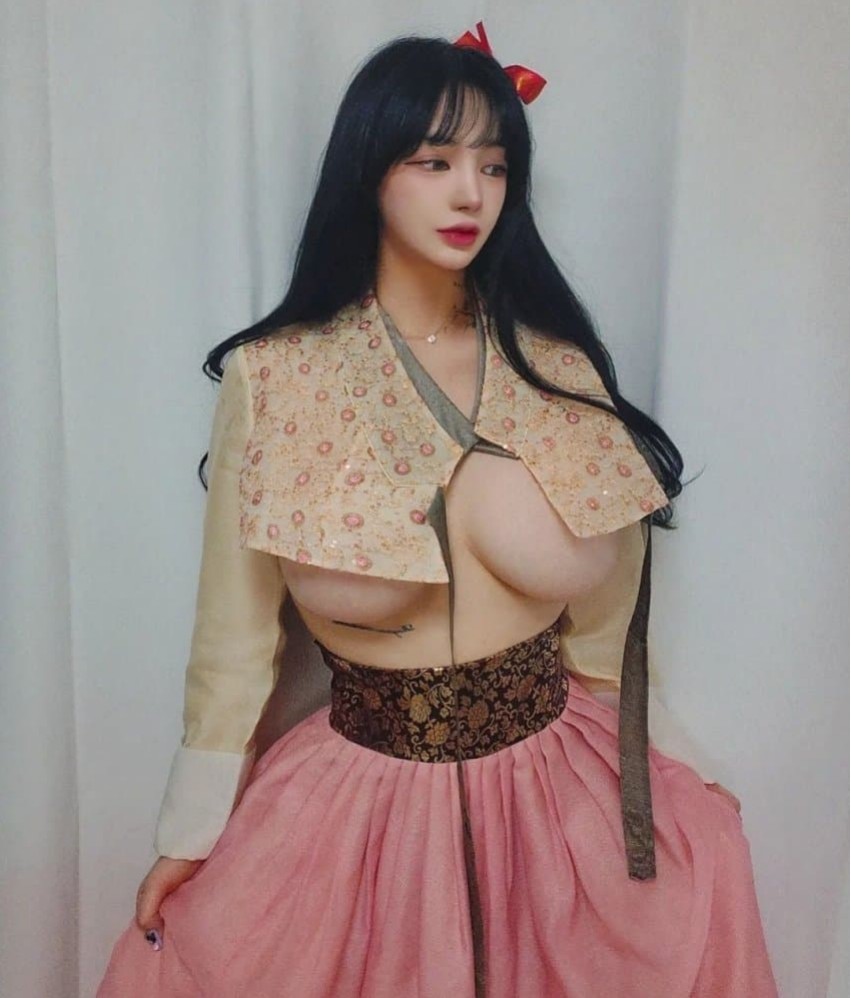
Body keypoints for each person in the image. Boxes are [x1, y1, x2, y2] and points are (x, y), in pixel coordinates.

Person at [96, 23, 778, 997]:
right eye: (435, 161)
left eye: (493, 166)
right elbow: (235, 634)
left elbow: (606, 628)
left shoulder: (555, 367)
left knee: (695, 866)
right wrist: (191, 828)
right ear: (369, 169)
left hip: (555, 796)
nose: (470, 193)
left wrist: (671, 760)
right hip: (361, 805)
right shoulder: (279, 377)